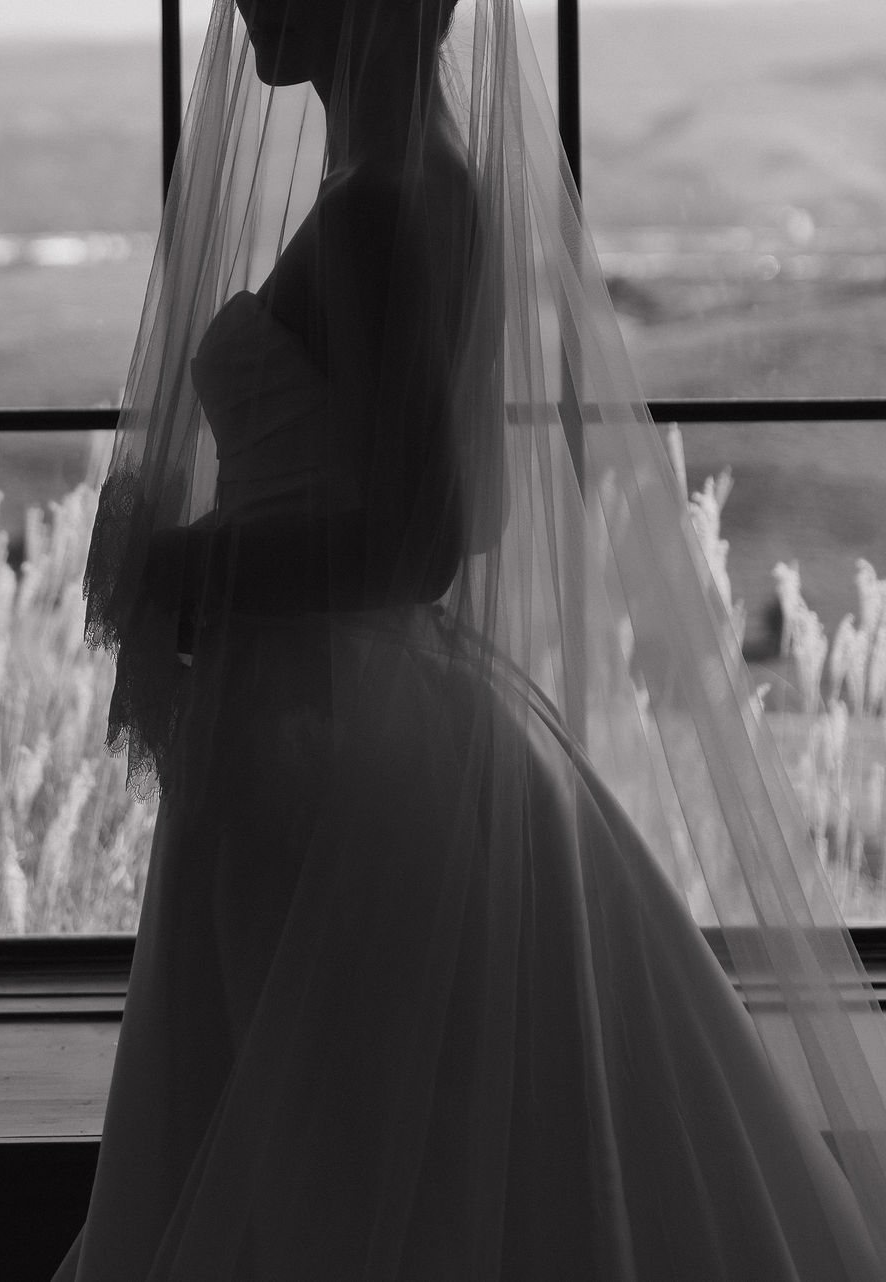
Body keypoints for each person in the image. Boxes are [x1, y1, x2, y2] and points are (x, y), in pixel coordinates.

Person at [57, 0, 886, 1277]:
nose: (244, 6)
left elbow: (420, 541)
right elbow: (465, 504)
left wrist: (171, 564)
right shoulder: (423, 184)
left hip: (324, 748)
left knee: (326, 1163)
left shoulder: (380, 208)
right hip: (346, 716)